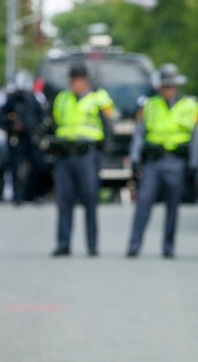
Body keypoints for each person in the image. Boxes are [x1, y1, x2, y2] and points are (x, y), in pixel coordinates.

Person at [126, 63, 198, 258]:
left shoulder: (191, 106)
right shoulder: (149, 105)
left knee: (173, 207)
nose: (168, 90)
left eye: (171, 86)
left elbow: (197, 137)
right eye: (165, 86)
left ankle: (168, 247)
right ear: (159, 86)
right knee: (143, 201)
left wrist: (194, 163)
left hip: (176, 161)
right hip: (154, 161)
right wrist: (135, 158)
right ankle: (134, 245)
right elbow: (139, 134)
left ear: (177, 86)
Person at [50, 63, 115, 257]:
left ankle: (92, 245)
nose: (74, 83)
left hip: (87, 154)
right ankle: (63, 244)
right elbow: (54, 123)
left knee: (90, 200)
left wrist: (103, 152)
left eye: (77, 79)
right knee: (64, 201)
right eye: (71, 79)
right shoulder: (62, 98)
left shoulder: (99, 98)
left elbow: (109, 126)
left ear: (86, 80)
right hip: (64, 155)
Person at [0, 71, 47, 205]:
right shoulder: (10, 99)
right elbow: (0, 116)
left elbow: (42, 115)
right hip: (16, 138)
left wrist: (39, 128)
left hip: (31, 137)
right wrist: (11, 125)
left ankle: (33, 194)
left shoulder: (33, 98)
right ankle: (17, 196)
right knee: (14, 166)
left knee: (37, 164)